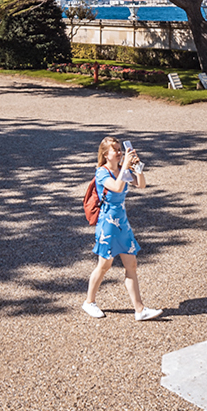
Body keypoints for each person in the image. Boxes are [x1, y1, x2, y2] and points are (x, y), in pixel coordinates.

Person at [83, 135, 162, 320]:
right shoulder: (101, 173)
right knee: (104, 265)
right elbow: (117, 188)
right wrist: (125, 165)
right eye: (115, 150)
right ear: (105, 154)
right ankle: (89, 302)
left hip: (122, 223)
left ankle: (140, 310)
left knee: (131, 265)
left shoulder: (121, 169)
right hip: (107, 224)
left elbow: (141, 185)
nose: (119, 153)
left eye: (120, 150)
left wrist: (137, 168)